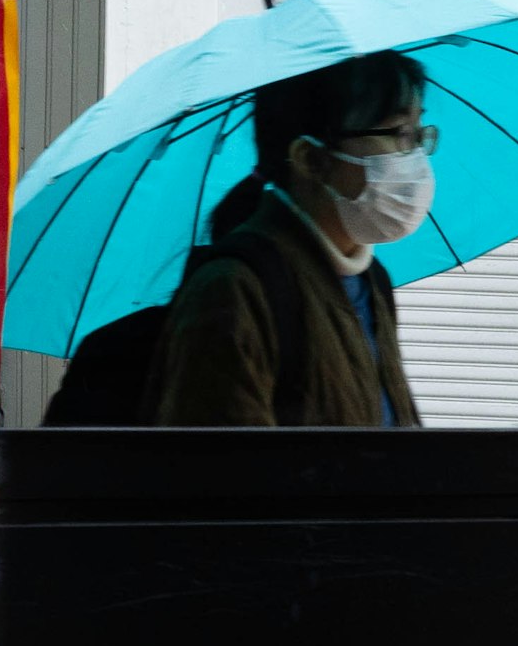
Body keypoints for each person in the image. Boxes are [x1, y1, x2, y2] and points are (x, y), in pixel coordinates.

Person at [152, 51, 430, 426]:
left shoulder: (371, 282)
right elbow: (214, 474)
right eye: (399, 134)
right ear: (312, 159)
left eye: (418, 134)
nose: (414, 157)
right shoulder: (233, 292)